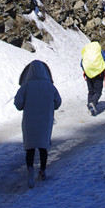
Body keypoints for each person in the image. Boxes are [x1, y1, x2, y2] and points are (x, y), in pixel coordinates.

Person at [14, 60, 62, 188]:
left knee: (30, 147)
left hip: (29, 120)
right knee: (43, 147)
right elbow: (58, 102)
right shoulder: (50, 87)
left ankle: (30, 169)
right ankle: (42, 170)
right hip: (45, 120)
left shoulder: (26, 86)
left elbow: (18, 104)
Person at [80, 41, 105, 116]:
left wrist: (86, 71)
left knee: (91, 91)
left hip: (88, 74)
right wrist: (103, 71)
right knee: (98, 91)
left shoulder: (87, 52)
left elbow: (82, 63)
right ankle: (93, 103)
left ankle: (90, 106)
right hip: (99, 74)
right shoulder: (100, 51)